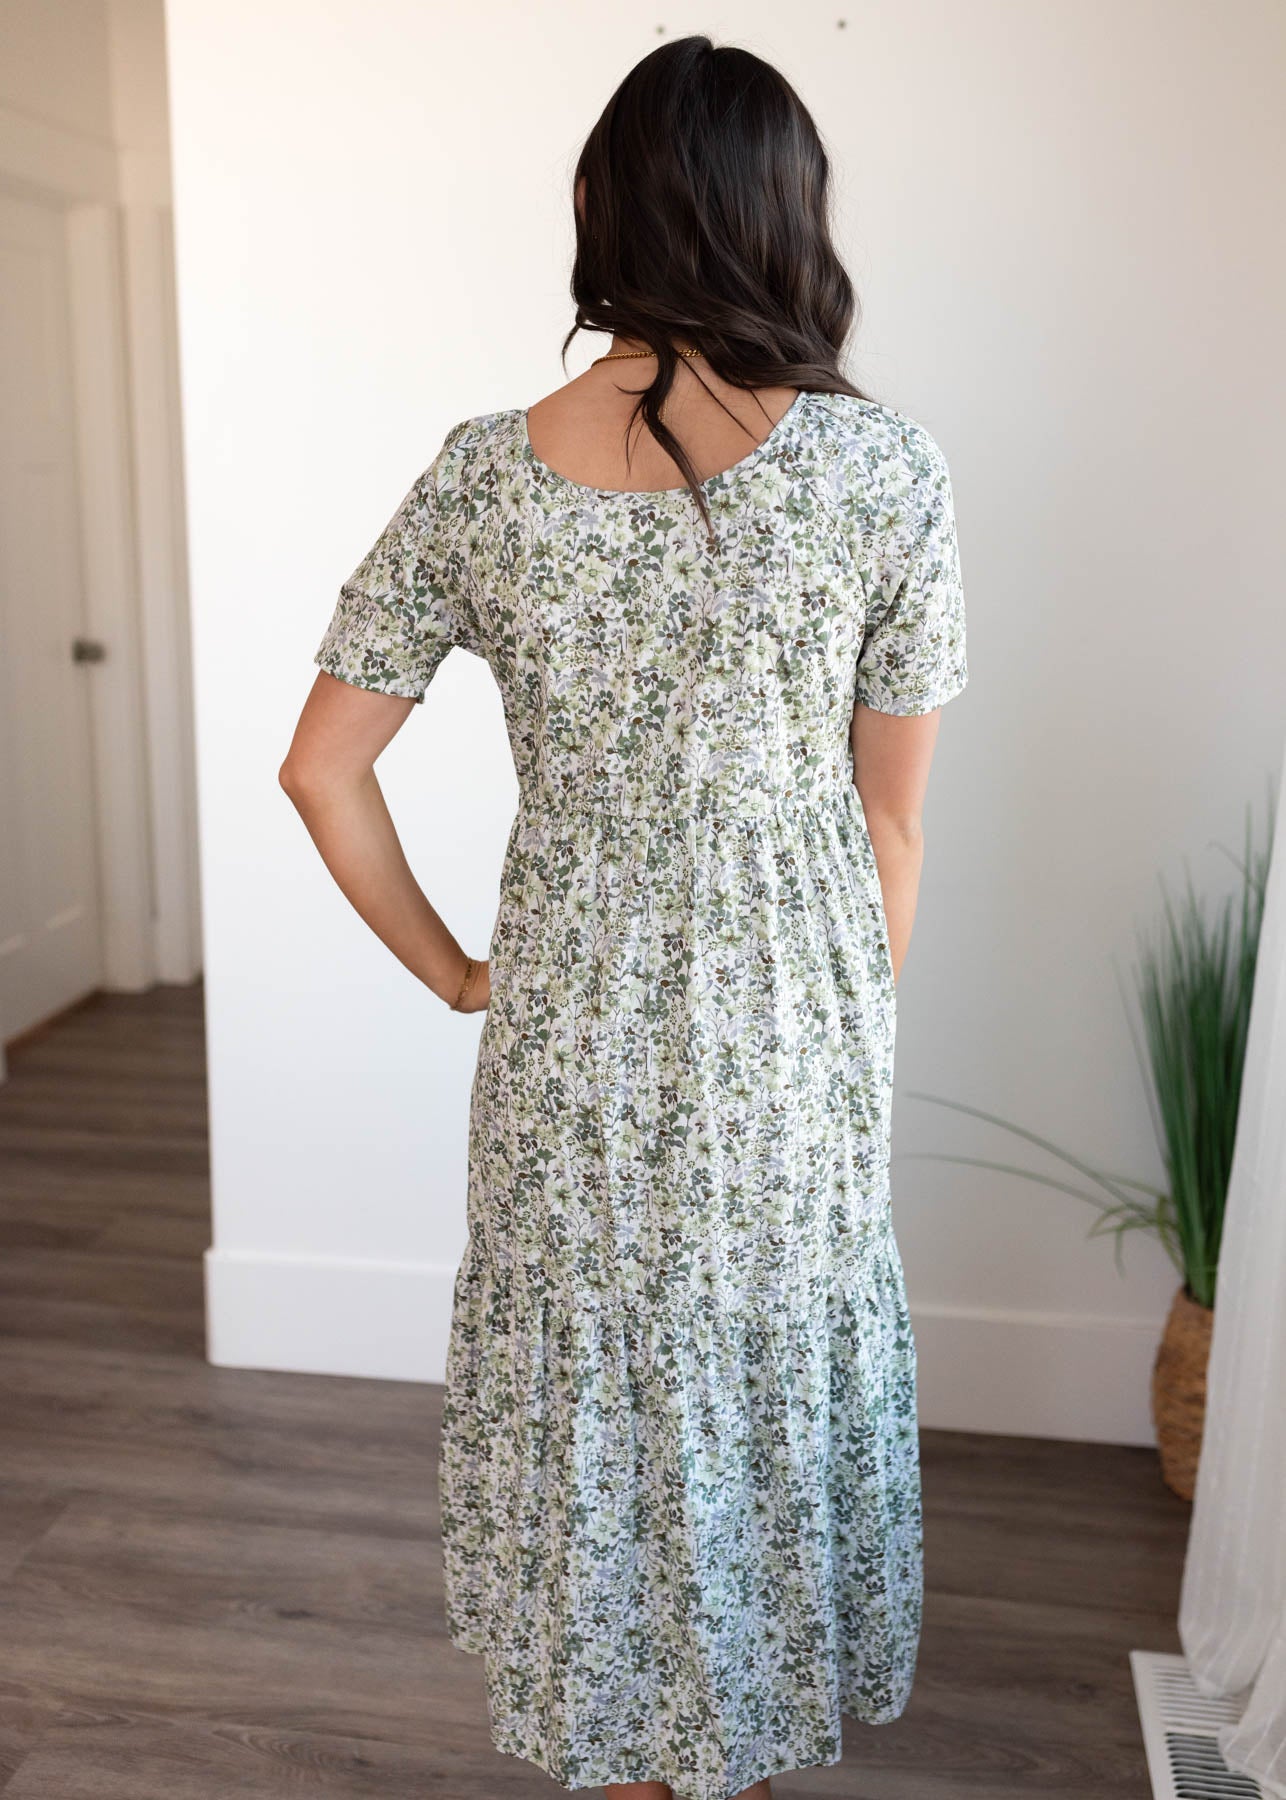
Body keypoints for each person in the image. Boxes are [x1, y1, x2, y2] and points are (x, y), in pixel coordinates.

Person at [279, 33, 968, 1800]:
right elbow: (891, 820)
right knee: (752, 1402)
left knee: (604, 1405)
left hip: (569, 1038)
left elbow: (322, 772)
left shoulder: (481, 472)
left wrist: (457, 977)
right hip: (797, 1046)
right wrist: (827, 1032)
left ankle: (632, 1764)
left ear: (600, 207)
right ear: (786, 219)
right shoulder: (886, 474)